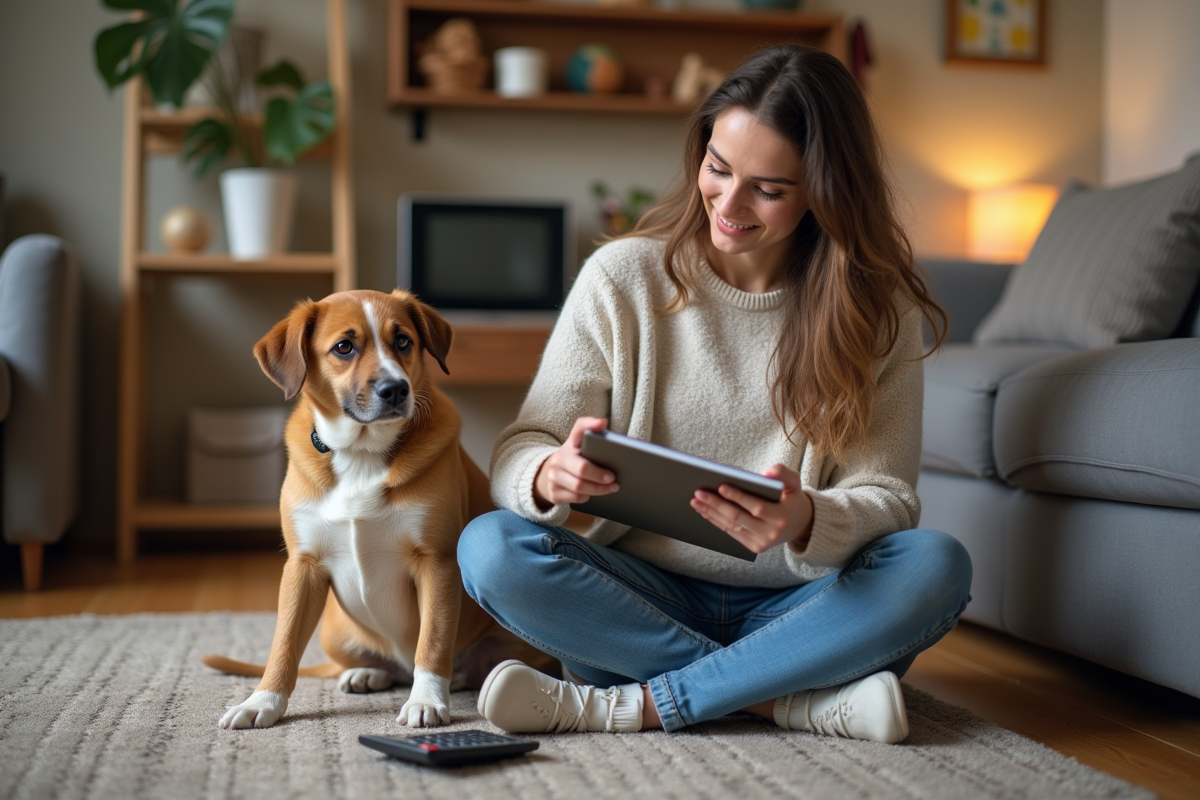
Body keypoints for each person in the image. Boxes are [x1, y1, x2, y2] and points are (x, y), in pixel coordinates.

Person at [456, 43, 972, 743]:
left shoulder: (877, 312)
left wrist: (806, 521)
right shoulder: (621, 279)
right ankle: (786, 701)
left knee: (935, 565)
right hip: (637, 599)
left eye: (769, 188)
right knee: (491, 548)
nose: (728, 204)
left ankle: (635, 704)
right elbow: (526, 444)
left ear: (824, 189)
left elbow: (888, 500)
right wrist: (550, 474)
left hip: (799, 609)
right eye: (718, 169)